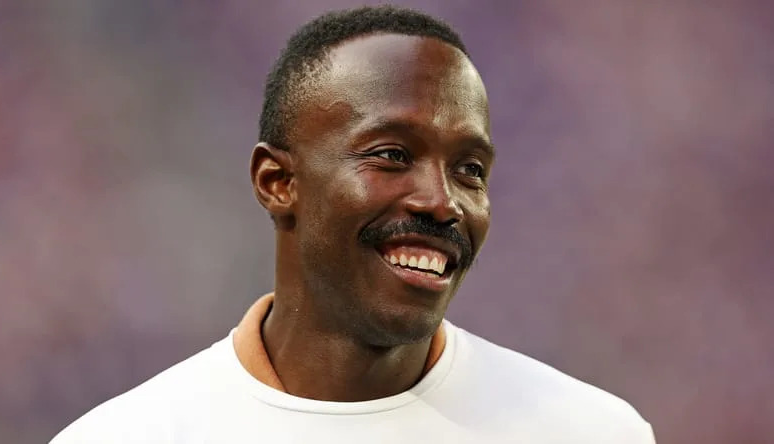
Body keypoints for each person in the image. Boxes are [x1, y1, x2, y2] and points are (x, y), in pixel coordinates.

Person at [52, 6, 655, 443]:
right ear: (277, 182)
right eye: (392, 155)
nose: (443, 203)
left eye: (470, 169)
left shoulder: (591, 430)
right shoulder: (127, 435)